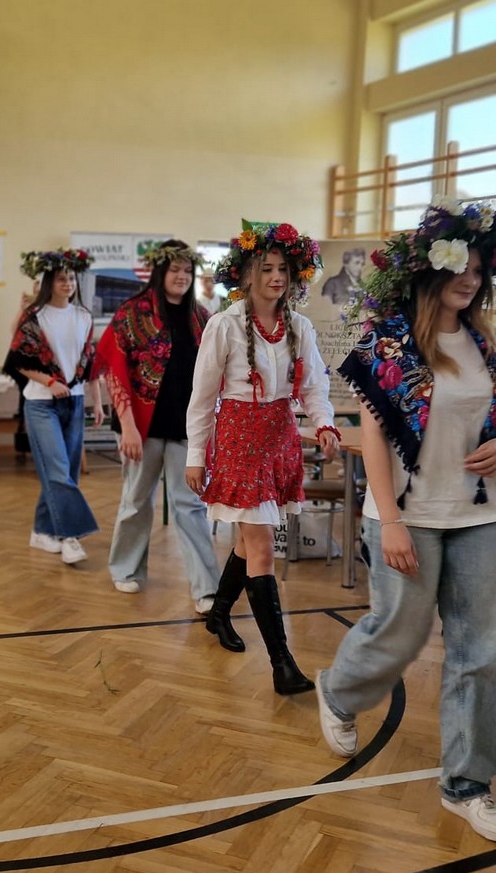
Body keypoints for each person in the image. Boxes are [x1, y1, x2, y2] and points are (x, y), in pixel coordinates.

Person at [319, 192, 496, 844]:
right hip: (407, 513)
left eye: (479, 269)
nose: (470, 279)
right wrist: (389, 520)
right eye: (460, 267)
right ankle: (339, 692)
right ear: (430, 269)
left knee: (489, 653)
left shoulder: (488, 342)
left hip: (478, 512)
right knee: (400, 633)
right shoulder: (387, 343)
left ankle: (467, 784)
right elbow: (373, 438)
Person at [184, 224, 336, 690]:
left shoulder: (300, 327)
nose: (276, 277)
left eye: (283, 269)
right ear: (247, 274)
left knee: (249, 543)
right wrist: (195, 455)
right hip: (238, 441)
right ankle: (282, 665)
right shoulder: (224, 325)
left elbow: (314, 386)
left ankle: (219, 613)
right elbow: (202, 397)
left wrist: (323, 423)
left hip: (279, 440)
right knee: (264, 548)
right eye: (266, 268)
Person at [97, 240, 225, 615]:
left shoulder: (202, 318)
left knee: (190, 506)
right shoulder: (132, 312)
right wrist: (127, 426)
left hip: (188, 428)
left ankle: (206, 587)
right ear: (160, 272)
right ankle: (125, 568)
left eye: (187, 270)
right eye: (175, 270)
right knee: (136, 501)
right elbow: (114, 370)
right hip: (142, 427)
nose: (181, 276)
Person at [3, 248, 103, 565]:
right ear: (50, 282)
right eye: (61, 278)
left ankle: (41, 531)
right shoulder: (35, 317)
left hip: (74, 402)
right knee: (58, 471)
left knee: (65, 472)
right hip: (41, 404)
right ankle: (69, 536)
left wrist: (97, 401)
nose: (68, 283)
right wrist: (49, 381)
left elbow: (89, 364)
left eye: (71, 278)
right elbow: (17, 361)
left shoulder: (84, 317)